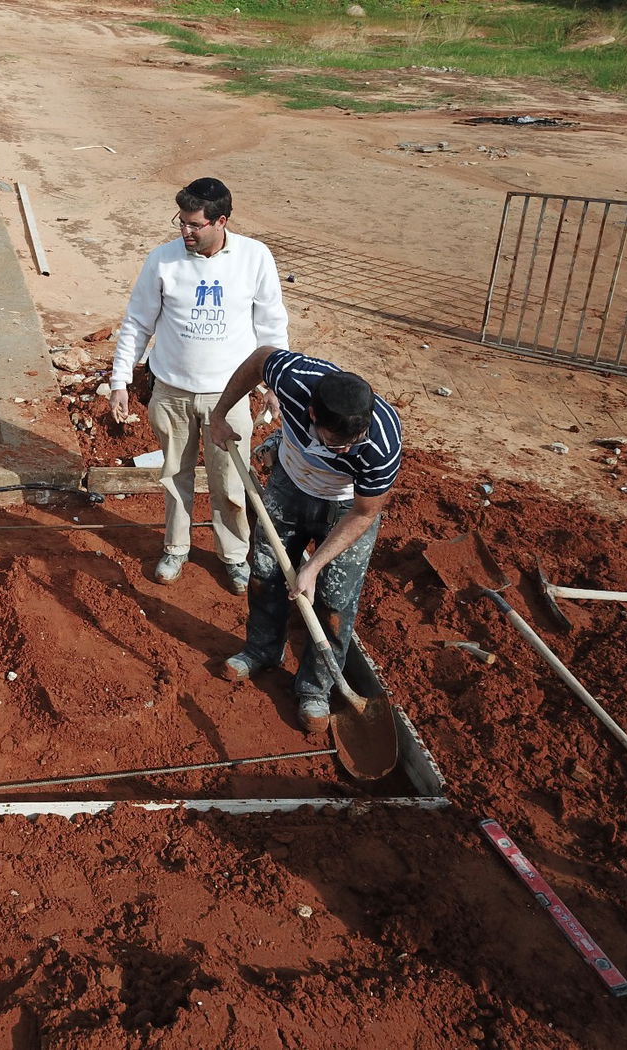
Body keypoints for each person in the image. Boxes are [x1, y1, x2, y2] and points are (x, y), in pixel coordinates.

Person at [209, 346, 402, 733]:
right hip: (290, 483)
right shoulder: (294, 377)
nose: (346, 449)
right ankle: (262, 649)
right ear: (313, 414)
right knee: (266, 573)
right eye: (337, 443)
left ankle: (317, 687)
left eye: (353, 442)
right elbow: (259, 358)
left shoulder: (381, 444)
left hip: (346, 507)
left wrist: (313, 566)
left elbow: (365, 512)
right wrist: (219, 414)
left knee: (334, 599)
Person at [109, 177, 288, 591]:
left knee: (231, 481)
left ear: (220, 221)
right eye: (181, 223)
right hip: (171, 391)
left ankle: (234, 554)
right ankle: (176, 547)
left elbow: (271, 326)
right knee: (175, 475)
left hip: (230, 395)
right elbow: (138, 322)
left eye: (194, 225)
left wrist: (275, 384)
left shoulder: (255, 258)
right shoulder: (163, 260)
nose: (185, 232)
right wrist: (120, 380)